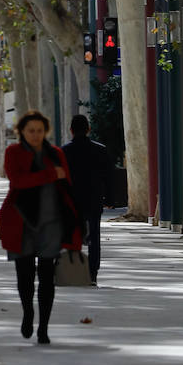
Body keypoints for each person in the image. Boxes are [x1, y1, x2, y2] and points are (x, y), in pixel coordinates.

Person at [0, 110, 82, 345]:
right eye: (30, 130)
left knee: (46, 277)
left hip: (51, 224)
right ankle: (28, 313)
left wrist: (77, 221)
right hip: (21, 223)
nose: (35, 135)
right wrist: (50, 174)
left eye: (40, 131)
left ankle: (43, 327)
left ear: (46, 132)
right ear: (22, 132)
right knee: (24, 277)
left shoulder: (55, 154)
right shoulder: (13, 152)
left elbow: (66, 185)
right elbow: (18, 181)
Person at [61, 114, 113, 285]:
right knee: (94, 237)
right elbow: (108, 177)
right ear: (88, 129)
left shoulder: (64, 151)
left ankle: (73, 271)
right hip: (93, 199)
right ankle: (92, 274)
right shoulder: (100, 149)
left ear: (71, 130)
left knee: (71, 235)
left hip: (71, 200)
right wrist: (110, 198)